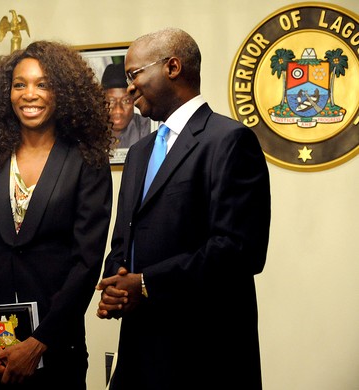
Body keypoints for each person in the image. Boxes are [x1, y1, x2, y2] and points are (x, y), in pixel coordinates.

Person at [97, 28, 271, 389]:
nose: (129, 88)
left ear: (172, 67)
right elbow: (123, 240)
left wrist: (144, 284)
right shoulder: (139, 152)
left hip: (204, 355)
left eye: (134, 74)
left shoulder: (230, 141)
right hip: (139, 353)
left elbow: (238, 251)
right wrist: (117, 282)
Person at [0, 41, 113, 389]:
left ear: (64, 93)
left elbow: (85, 263)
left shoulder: (87, 159)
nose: (30, 94)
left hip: (57, 346)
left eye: (44, 84)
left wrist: (39, 342)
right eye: (20, 84)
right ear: (6, 92)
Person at [101, 63, 152, 149]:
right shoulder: (91, 130)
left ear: (134, 100)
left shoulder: (148, 127)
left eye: (126, 101)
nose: (118, 110)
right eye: (111, 101)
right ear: (101, 101)